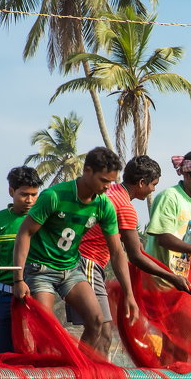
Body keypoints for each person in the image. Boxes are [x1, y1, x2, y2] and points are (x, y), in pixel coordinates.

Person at [12, 146, 139, 351]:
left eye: (111, 182)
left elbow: (117, 252)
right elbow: (24, 234)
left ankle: (77, 370)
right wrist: (18, 279)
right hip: (41, 269)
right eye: (104, 181)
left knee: (97, 320)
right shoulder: (54, 196)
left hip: (71, 269)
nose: (107, 187)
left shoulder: (104, 205)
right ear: (87, 171)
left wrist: (129, 295)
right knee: (47, 330)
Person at [70, 155, 190, 334]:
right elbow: (136, 256)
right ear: (142, 183)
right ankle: (84, 363)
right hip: (87, 263)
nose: (153, 190)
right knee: (100, 330)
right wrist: (172, 277)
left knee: (101, 331)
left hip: (79, 261)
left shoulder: (112, 192)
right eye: (153, 184)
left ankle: (87, 363)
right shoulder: (125, 207)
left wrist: (129, 239)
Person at [0, 166, 42, 353]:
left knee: (36, 351)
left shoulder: (44, 219)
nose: (29, 200)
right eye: (24, 194)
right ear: (11, 191)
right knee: (4, 352)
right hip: (4, 296)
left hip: (37, 294)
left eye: (34, 195)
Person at [146, 150, 191, 279]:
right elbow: (163, 238)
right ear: (187, 175)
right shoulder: (169, 197)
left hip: (182, 280)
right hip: (157, 279)